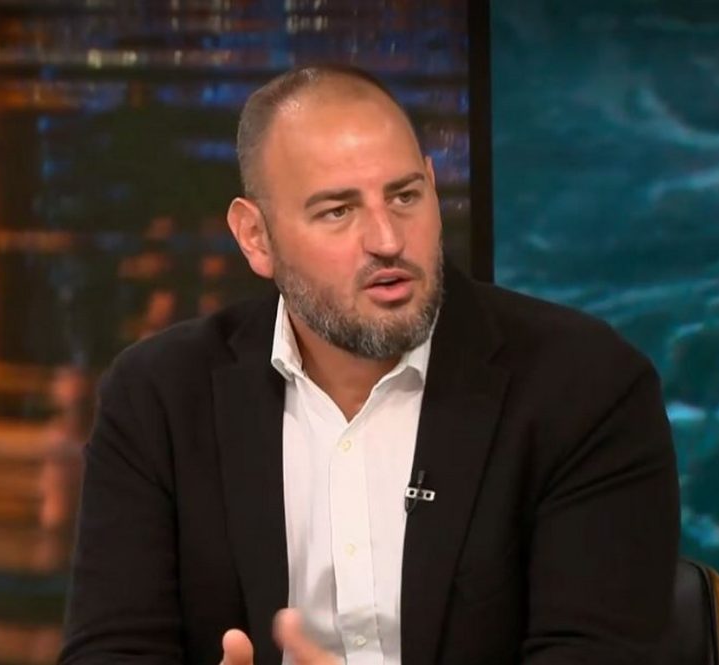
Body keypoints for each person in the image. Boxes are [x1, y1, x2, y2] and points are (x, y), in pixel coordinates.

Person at [58, 65, 680, 665]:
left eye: (405, 196)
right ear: (256, 237)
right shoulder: (160, 398)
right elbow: (114, 648)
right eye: (338, 210)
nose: (387, 239)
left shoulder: (584, 387)